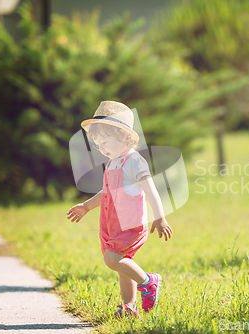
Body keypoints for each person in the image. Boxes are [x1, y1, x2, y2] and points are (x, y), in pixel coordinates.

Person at [66, 101, 173, 318]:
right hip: (112, 223)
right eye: (98, 145)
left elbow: (151, 190)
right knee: (122, 264)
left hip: (130, 224)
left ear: (124, 137)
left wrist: (160, 217)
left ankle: (148, 281)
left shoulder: (134, 161)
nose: (102, 149)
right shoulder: (113, 162)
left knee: (112, 260)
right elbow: (106, 192)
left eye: (105, 142)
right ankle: (129, 306)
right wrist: (86, 206)